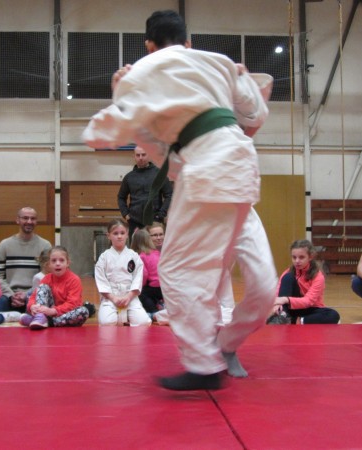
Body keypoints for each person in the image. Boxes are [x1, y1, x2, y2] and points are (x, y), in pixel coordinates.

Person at [83, 10, 277, 390]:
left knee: (175, 271)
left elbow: (98, 135)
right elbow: (256, 115)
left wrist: (119, 91)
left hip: (206, 176)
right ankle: (221, 346)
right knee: (260, 287)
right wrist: (234, 83)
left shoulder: (143, 73)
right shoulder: (217, 62)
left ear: (148, 46)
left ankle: (205, 362)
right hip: (239, 170)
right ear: (187, 42)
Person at [19, 246, 95, 329]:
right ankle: (40, 317)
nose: (57, 263)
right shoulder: (46, 278)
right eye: (54, 261)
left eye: (61, 260)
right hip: (47, 311)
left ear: (67, 263)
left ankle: (47, 322)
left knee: (83, 312)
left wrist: (53, 311)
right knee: (43, 287)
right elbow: (34, 296)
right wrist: (32, 306)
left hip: (65, 314)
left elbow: (73, 303)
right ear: (49, 264)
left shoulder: (74, 279)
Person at [267, 240, 340, 325]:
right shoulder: (287, 273)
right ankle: (282, 316)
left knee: (333, 315)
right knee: (288, 277)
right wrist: (277, 305)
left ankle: (295, 321)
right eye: (294, 257)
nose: (297, 261)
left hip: (310, 309)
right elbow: (278, 294)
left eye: (301, 257)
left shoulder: (318, 276)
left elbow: (308, 301)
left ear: (310, 257)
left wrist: (285, 299)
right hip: (292, 308)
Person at [0, 207, 52, 313]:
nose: (29, 221)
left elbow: (46, 277)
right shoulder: (4, 245)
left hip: (34, 294)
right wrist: (11, 295)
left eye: (33, 218)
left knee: (42, 313)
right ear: (17, 220)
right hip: (8, 294)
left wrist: (27, 294)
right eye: (25, 218)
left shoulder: (45, 245)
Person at [96, 219, 152, 326]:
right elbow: (101, 281)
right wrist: (113, 298)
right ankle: (119, 318)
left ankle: (126, 318)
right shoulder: (104, 257)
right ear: (108, 236)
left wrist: (129, 296)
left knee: (143, 322)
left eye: (122, 233)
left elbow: (137, 279)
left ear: (127, 234)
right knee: (106, 322)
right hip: (110, 297)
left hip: (130, 296)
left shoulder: (134, 256)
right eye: (115, 233)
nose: (119, 236)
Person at [118, 146, 173, 238]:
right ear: (134, 157)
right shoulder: (129, 177)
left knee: (155, 247)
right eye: (138, 155)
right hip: (134, 222)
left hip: (155, 221)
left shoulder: (159, 174)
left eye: (143, 155)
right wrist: (126, 214)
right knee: (136, 247)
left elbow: (169, 195)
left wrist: (161, 214)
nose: (140, 158)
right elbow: (121, 197)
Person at [131, 228, 164, 319]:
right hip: (163, 285)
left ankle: (153, 312)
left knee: (141, 293)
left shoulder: (141, 256)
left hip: (154, 285)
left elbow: (144, 274)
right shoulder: (157, 253)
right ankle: (160, 305)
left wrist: (141, 285)